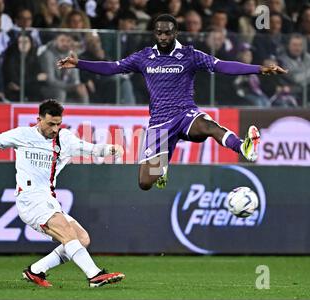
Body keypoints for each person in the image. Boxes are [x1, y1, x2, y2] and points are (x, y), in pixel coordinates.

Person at [57, 14, 287, 191]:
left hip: (184, 114)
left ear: (175, 31)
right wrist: (79, 63)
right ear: (155, 33)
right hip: (159, 124)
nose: (164, 37)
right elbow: (112, 68)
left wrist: (258, 69)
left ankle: (243, 146)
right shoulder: (143, 57)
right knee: (145, 182)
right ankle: (162, 166)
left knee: (207, 127)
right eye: (159, 33)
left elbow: (222, 66)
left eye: (167, 33)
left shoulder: (190, 54)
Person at [0, 98, 125, 288]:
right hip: (29, 199)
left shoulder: (65, 138)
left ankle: (36, 270)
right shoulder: (23, 135)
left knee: (82, 238)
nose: (55, 129)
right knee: (66, 231)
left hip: (48, 199)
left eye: (58, 124)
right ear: (38, 119)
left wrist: (113, 148)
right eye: (50, 124)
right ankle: (94, 275)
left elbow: (92, 149)